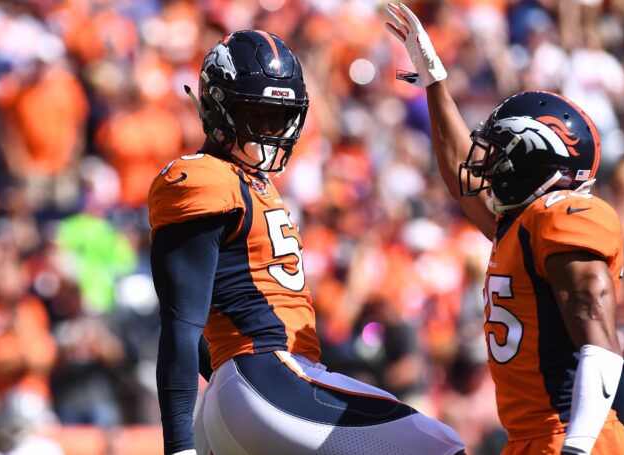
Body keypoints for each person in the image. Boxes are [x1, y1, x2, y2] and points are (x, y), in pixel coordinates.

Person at [148, 30, 465, 455]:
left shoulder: (251, 183)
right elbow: (182, 327)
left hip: (253, 385)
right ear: (217, 105)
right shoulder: (202, 177)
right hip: (264, 378)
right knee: (439, 445)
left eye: (279, 117)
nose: (270, 131)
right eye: (255, 115)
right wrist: (181, 445)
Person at [385, 3, 624, 455]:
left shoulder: (566, 214)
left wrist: (577, 447)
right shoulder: (518, 225)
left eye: (501, 152)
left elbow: (597, 328)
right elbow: (462, 180)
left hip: (572, 436)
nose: (486, 163)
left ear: (539, 159)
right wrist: (436, 83)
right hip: (531, 439)